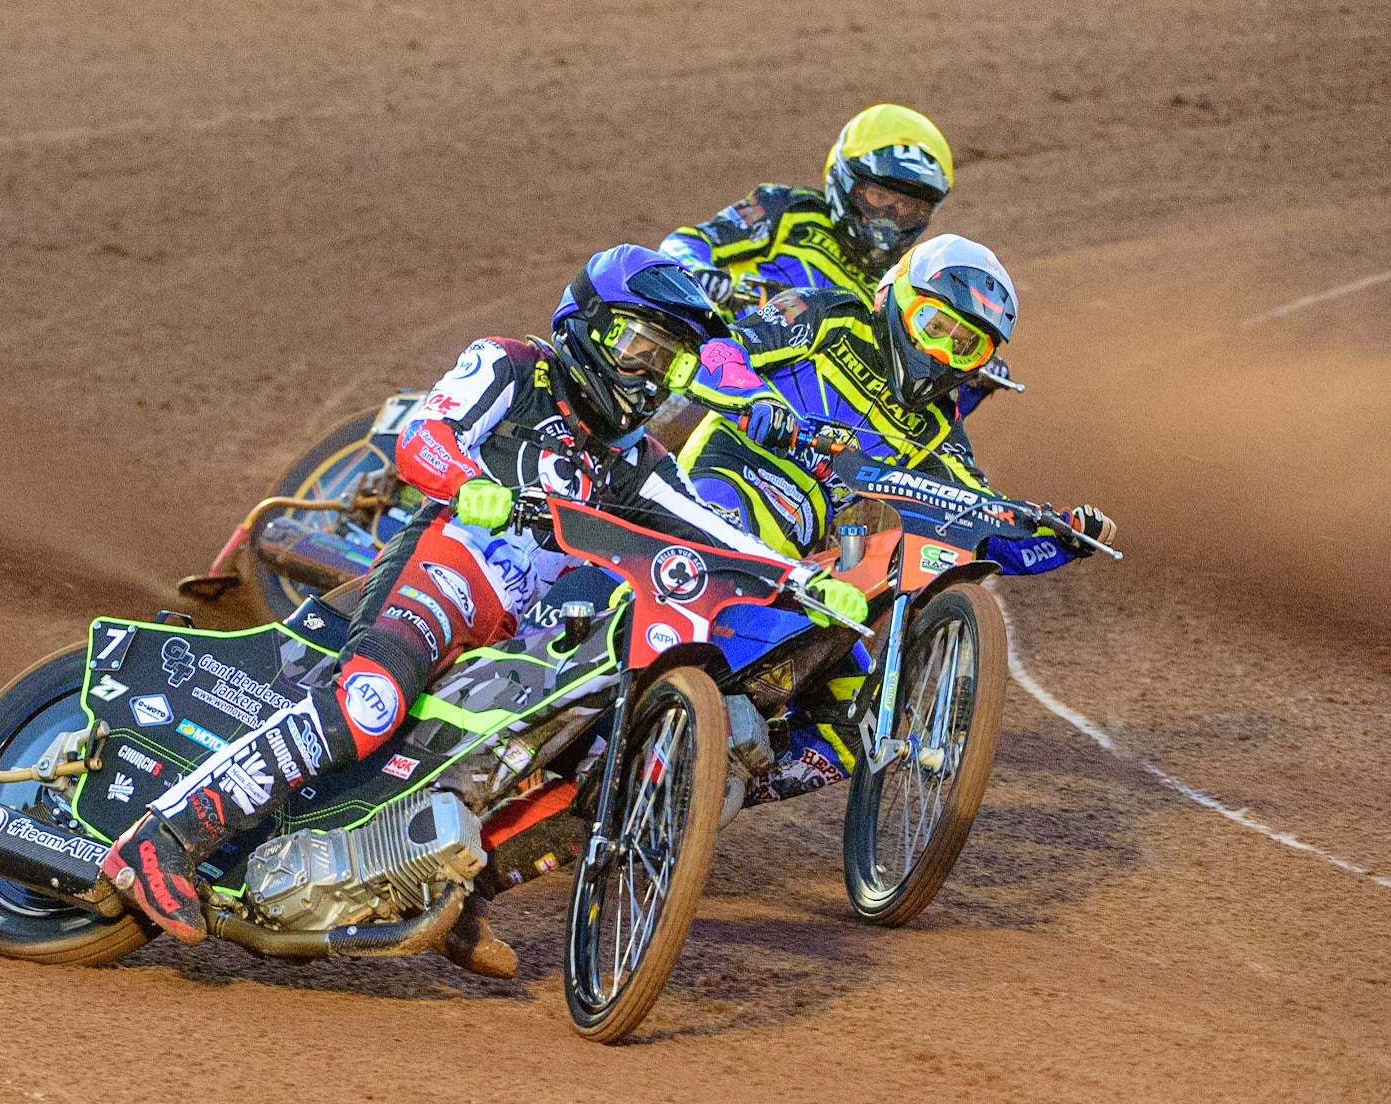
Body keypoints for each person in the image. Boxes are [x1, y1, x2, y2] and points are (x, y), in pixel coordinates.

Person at [100, 244, 869, 965]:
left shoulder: (636, 459)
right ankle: (166, 838)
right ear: (589, 327)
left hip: (520, 628)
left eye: (669, 361)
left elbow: (713, 531)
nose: (651, 373)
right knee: (368, 702)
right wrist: (471, 484)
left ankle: (458, 891)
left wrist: (802, 580)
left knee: (576, 764)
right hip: (446, 566)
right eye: (639, 347)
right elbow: (424, 437)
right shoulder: (512, 366)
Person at [676, 232, 1115, 801]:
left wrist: (1061, 536)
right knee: (716, 561)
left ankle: (702, 794)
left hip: (797, 566)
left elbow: (976, 518)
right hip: (717, 492)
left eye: (965, 347)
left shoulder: (938, 431)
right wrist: (754, 399)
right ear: (895, 298)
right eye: (935, 326)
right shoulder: (828, 314)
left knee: (856, 724)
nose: (942, 353)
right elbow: (717, 350)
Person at [659, 102, 1012, 419]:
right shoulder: (788, 210)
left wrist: (968, 383)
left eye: (907, 206)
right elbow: (682, 243)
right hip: (719, 356)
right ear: (847, 181)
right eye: (879, 196)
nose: (890, 217)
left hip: (795, 416)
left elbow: (906, 410)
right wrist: (701, 277)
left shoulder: (903, 286)